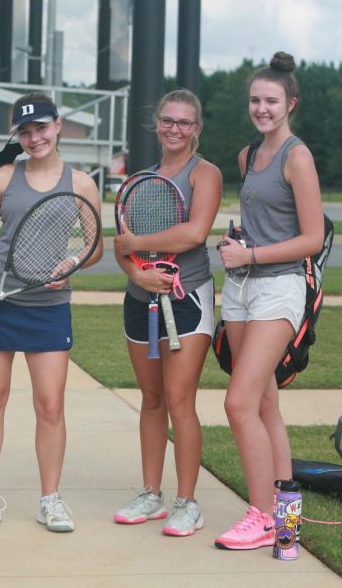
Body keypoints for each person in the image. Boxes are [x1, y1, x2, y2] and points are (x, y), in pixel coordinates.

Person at [0, 92, 103, 533]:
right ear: (18, 136)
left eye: (41, 127)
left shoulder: (81, 182)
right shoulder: (3, 177)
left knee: (50, 405)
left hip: (49, 306)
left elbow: (96, 247)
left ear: (58, 126)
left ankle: (50, 499)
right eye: (25, 131)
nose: (34, 137)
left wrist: (73, 263)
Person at [214, 52, 324, 550]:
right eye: (255, 100)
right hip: (240, 286)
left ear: (290, 104)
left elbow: (312, 238)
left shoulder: (297, 157)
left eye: (271, 101)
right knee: (263, 402)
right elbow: (261, 221)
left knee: (238, 402)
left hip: (281, 287)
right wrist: (236, 244)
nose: (262, 108)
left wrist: (251, 252)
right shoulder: (247, 156)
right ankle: (287, 519)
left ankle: (259, 517)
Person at [112, 89, 223, 537]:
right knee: (152, 399)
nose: (175, 129)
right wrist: (137, 275)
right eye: (168, 121)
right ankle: (151, 495)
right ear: (156, 123)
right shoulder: (143, 180)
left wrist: (137, 248)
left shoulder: (205, 174)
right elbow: (120, 247)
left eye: (185, 122)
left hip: (187, 298)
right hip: (141, 300)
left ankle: (187, 502)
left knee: (180, 402)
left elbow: (194, 233)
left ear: (196, 128)